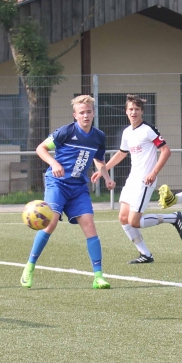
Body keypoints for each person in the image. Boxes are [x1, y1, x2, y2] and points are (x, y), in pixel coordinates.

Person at [21, 95, 116, 289]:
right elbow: (41, 148)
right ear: (75, 115)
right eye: (81, 113)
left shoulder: (98, 136)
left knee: (89, 225)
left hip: (78, 187)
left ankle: (98, 276)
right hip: (57, 184)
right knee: (51, 221)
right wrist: (54, 163)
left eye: (88, 112)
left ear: (93, 113)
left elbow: (99, 159)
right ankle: (29, 266)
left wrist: (106, 176)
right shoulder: (66, 132)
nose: (85, 116)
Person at [104, 95, 182, 263]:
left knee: (134, 221)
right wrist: (103, 170)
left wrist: (153, 173)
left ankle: (173, 218)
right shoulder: (127, 132)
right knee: (123, 218)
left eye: (137, 109)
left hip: (145, 181)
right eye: (130, 109)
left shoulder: (148, 130)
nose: (133, 112)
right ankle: (146, 254)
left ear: (142, 111)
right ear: (126, 111)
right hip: (132, 180)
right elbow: (121, 153)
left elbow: (166, 151)